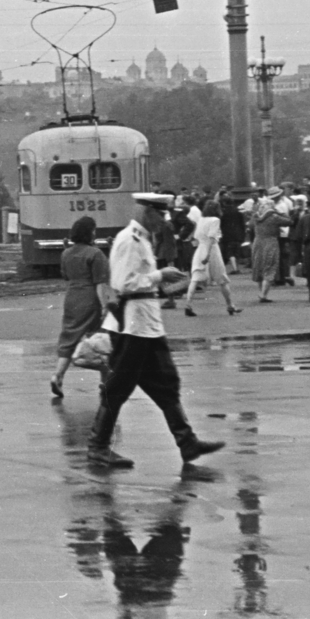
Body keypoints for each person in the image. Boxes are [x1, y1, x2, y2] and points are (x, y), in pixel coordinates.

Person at [86, 193, 224, 470]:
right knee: (118, 389)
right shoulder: (130, 241)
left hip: (147, 327)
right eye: (160, 215)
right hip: (131, 328)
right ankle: (98, 447)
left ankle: (187, 443)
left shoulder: (143, 240)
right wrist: (159, 276)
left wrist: (162, 282)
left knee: (167, 385)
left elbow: (141, 284)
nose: (164, 221)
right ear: (145, 211)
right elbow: (124, 283)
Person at [51, 216, 110, 398]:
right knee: (101, 339)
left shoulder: (66, 253)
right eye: (93, 230)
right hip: (90, 298)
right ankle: (105, 381)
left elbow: (66, 276)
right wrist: (105, 306)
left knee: (69, 338)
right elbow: (100, 283)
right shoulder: (96, 254)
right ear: (89, 233)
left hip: (72, 297)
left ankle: (58, 376)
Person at [184, 197, 239, 317]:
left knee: (195, 277)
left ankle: (188, 304)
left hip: (200, 248)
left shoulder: (201, 219)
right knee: (222, 279)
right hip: (212, 250)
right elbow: (212, 238)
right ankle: (230, 305)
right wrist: (207, 255)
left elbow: (197, 236)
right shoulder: (215, 220)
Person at [250, 187, 287, 303]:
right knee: (270, 268)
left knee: (259, 267)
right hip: (270, 242)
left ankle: (261, 292)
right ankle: (264, 295)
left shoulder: (256, 217)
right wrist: (279, 212)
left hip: (258, 242)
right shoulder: (274, 217)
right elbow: (289, 221)